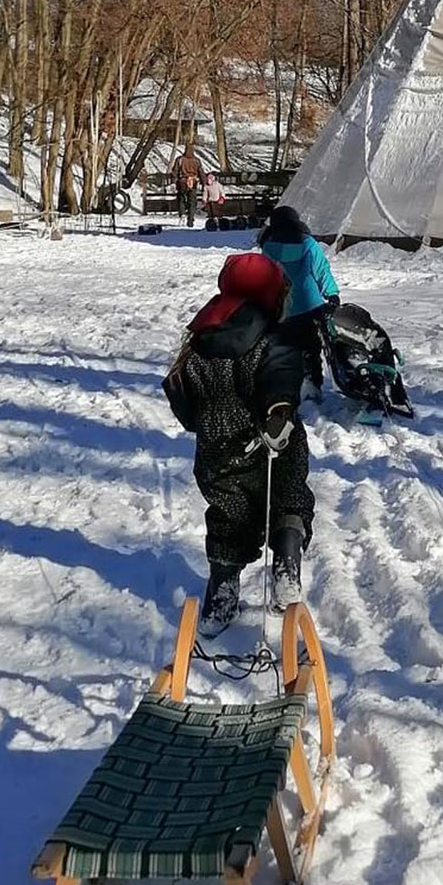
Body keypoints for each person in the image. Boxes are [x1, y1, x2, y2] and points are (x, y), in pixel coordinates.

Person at [162, 252, 314, 634]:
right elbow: (281, 371)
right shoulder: (274, 336)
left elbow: (182, 401)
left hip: (218, 454)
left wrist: (208, 422)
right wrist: (278, 410)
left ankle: (222, 596)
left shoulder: (200, 338)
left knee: (229, 519)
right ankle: (286, 570)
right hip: (274, 444)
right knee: (289, 498)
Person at [257, 205, 339, 403]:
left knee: (284, 347)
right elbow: (321, 270)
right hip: (309, 304)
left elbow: (264, 277)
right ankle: (312, 383)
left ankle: (287, 383)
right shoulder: (308, 243)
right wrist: (332, 293)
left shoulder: (268, 247)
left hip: (281, 306)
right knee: (311, 346)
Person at [170, 144, 203, 226]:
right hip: (193, 183)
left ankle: (182, 214)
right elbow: (201, 172)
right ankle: (191, 219)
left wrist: (173, 181)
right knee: (192, 202)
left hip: (182, 182)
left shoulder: (180, 159)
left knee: (181, 199)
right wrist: (203, 182)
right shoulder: (196, 160)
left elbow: (175, 171)